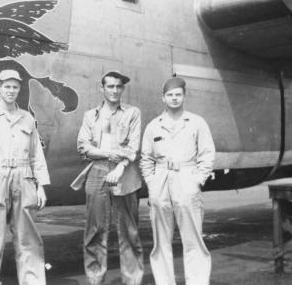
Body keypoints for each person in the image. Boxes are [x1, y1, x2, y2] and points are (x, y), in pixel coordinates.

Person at [0, 69, 50, 285]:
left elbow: (36, 154)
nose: (11, 91)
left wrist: (41, 185)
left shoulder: (27, 118)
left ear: (19, 89)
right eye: (7, 86)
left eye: (15, 87)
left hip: (24, 178)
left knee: (28, 239)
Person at [140, 77, 215, 285]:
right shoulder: (154, 126)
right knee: (160, 242)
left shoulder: (197, 122)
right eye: (170, 95)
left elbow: (207, 154)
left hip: (187, 177)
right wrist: (152, 184)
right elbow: (146, 158)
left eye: (178, 95)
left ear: (184, 96)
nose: (174, 99)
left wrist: (197, 180)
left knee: (193, 240)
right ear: (163, 98)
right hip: (161, 182)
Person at [74, 71, 144, 285]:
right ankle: (95, 280)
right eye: (110, 86)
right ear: (101, 88)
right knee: (95, 230)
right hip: (97, 171)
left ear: (122, 89)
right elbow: (83, 146)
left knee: (129, 231)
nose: (114, 90)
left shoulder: (132, 113)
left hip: (125, 173)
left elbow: (133, 149)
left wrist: (120, 166)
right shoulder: (90, 116)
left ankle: (132, 280)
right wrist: (108, 154)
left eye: (118, 87)